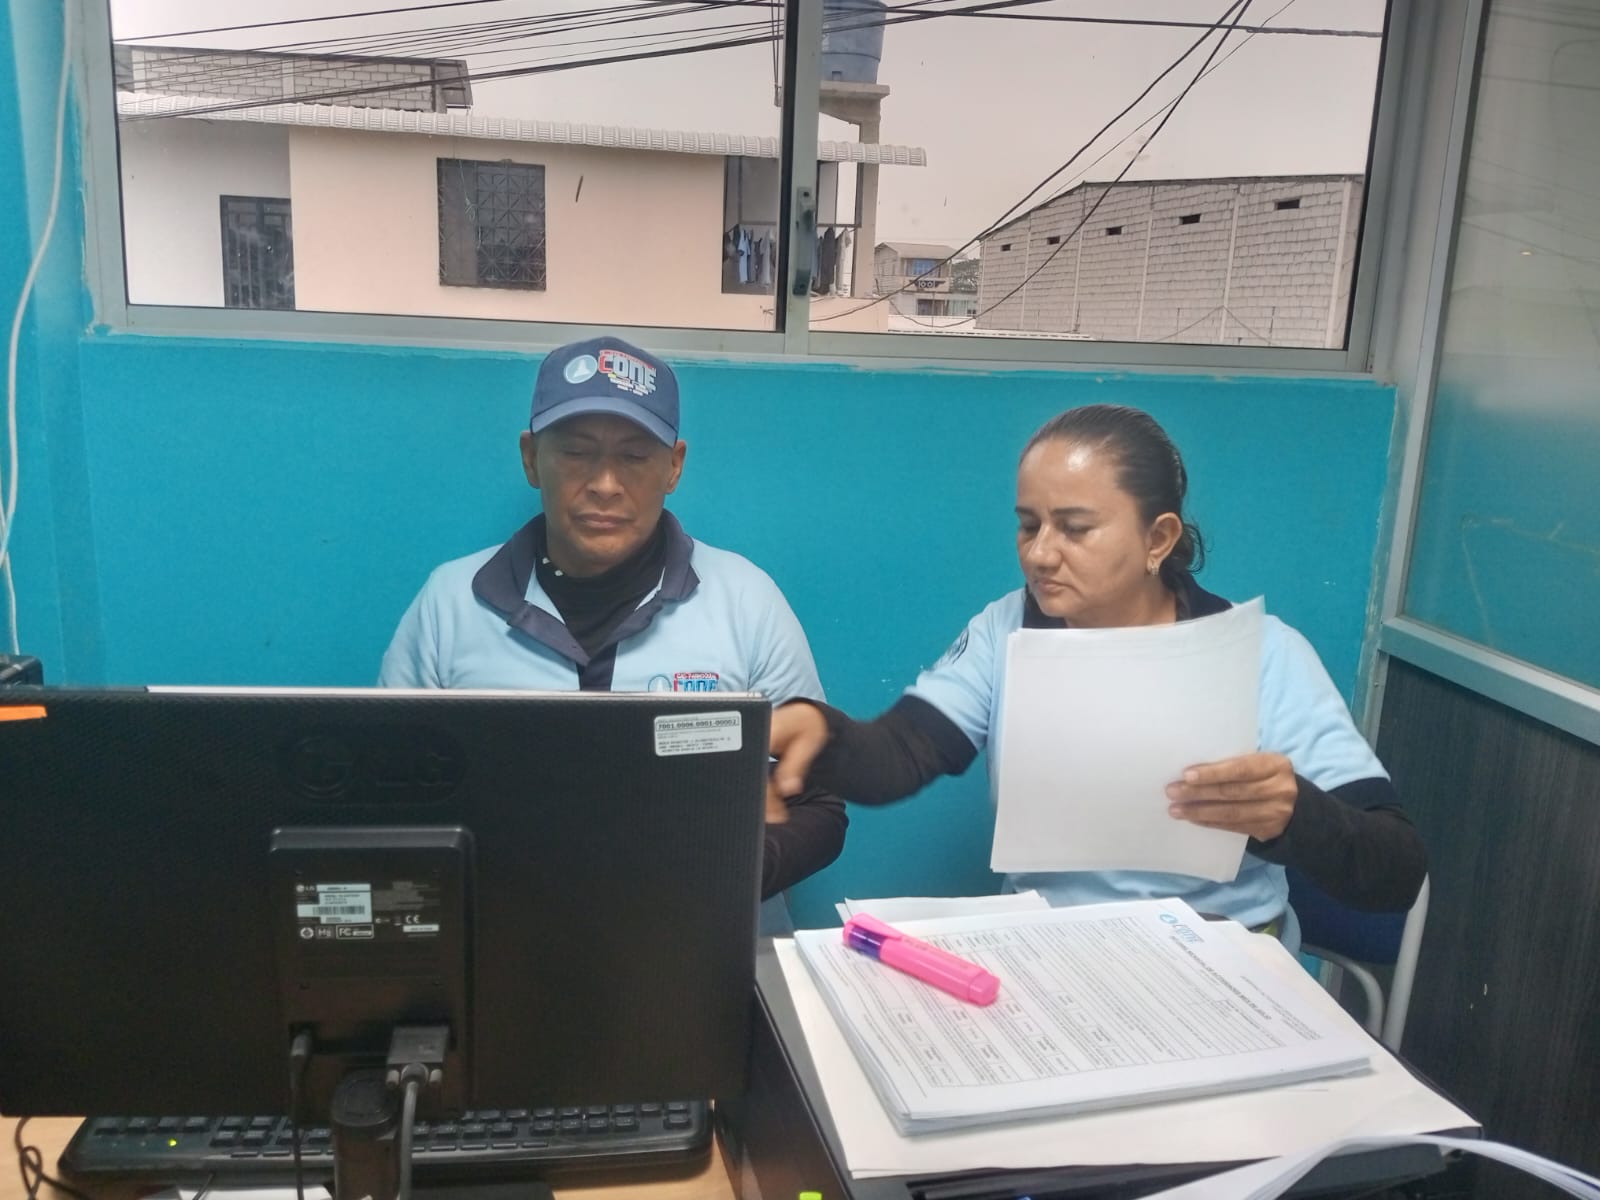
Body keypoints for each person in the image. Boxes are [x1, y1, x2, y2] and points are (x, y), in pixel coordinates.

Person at [766, 403, 1425, 946]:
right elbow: (903, 754)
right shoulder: (1007, 628)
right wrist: (824, 734)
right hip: (1053, 955)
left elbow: (1395, 870)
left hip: (1220, 958)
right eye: (1028, 526)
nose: (1040, 554)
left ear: (1158, 538)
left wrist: (1295, 813)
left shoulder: (1263, 654)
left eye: (1075, 529)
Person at [380, 335, 846, 902]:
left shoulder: (746, 601)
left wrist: (721, 875)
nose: (605, 485)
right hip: (502, 930)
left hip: (700, 939)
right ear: (531, 458)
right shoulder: (451, 604)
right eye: (576, 452)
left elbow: (819, 804)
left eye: (634, 456)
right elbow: (387, 794)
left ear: (674, 467)